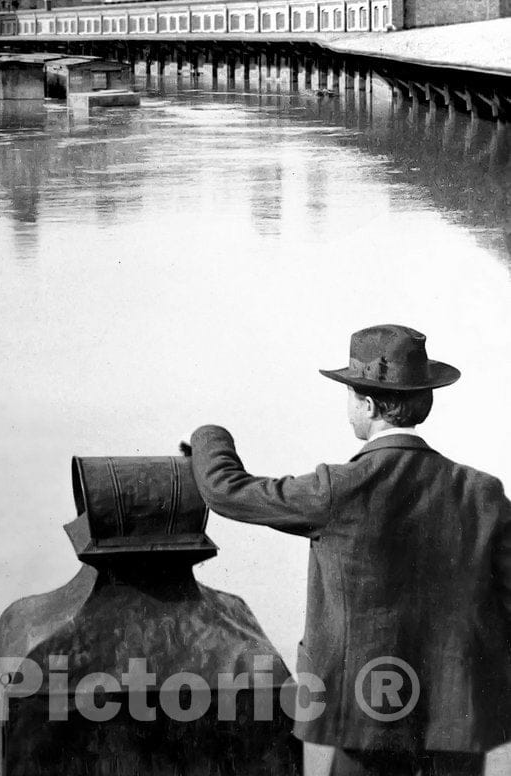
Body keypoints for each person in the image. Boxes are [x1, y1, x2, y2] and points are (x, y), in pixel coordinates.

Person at [189, 324, 511, 776]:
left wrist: (209, 438)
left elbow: (227, 490)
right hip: (458, 714)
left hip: (365, 712)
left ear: (368, 403)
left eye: (349, 396)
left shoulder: (336, 490)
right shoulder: (483, 492)